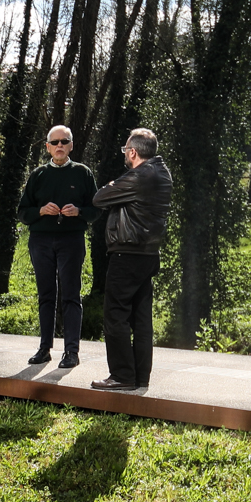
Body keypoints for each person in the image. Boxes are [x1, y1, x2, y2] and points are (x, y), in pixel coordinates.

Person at [91, 128, 173, 391]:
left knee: (115, 314)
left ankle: (122, 376)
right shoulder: (162, 173)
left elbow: (99, 197)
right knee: (141, 317)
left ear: (133, 151)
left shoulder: (139, 175)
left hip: (127, 253)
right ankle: (140, 377)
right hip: (149, 254)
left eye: (126, 150)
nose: (125, 155)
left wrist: (115, 184)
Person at [17, 125, 98, 369]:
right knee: (46, 295)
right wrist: (40, 210)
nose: (60, 146)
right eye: (55, 142)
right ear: (48, 147)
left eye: (65, 141)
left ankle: (71, 351)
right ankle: (45, 348)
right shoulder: (38, 175)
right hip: (41, 241)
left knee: (71, 295)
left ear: (72, 145)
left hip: (71, 240)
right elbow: (23, 212)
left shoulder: (83, 173)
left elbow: (96, 210)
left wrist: (79, 212)